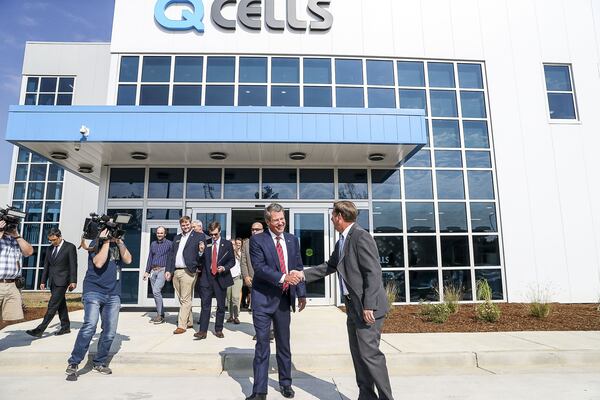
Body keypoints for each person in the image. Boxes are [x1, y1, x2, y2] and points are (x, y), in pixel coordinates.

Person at [297, 201, 394, 400]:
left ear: (340, 216)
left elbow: (373, 273)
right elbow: (329, 266)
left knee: (370, 356)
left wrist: (369, 305)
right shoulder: (342, 240)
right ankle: (366, 396)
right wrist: (301, 275)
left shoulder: (360, 236)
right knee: (358, 356)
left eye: (333, 215)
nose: (331, 218)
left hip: (367, 308)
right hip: (353, 307)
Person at [246, 203, 306, 400]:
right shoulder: (257, 241)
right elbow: (260, 268)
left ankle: (285, 383)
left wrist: (302, 293)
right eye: (276, 220)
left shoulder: (292, 240)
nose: (281, 223)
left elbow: (298, 266)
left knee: (284, 344)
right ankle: (259, 391)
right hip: (263, 300)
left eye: (282, 219)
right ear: (268, 221)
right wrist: (283, 278)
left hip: (283, 300)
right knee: (262, 345)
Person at [65, 228, 132, 377]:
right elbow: (99, 263)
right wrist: (106, 241)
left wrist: (119, 242)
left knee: (110, 332)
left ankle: (99, 363)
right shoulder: (96, 243)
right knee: (90, 325)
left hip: (113, 293)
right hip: (94, 291)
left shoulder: (118, 244)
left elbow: (128, 259)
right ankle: (74, 362)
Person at [26, 228, 77, 337]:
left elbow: (73, 265)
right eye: (50, 240)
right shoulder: (49, 249)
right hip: (53, 281)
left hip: (63, 280)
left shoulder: (70, 247)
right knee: (61, 304)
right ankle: (65, 326)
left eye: (54, 240)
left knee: (52, 305)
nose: (52, 242)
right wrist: (43, 281)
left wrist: (73, 281)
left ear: (60, 237)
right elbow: (46, 266)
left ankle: (40, 329)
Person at [194, 221, 235, 339]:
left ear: (220, 232)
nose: (213, 237)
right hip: (207, 279)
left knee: (221, 306)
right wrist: (200, 252)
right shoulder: (205, 243)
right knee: (205, 306)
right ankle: (202, 331)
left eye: (215, 234)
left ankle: (218, 329)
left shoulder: (227, 244)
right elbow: (199, 261)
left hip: (220, 279)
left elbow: (232, 261)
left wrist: (225, 268)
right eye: (211, 234)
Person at [166, 216, 204, 334]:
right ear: (180, 225)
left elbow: (202, 253)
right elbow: (171, 255)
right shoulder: (177, 238)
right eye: (183, 225)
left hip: (188, 271)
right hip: (176, 271)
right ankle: (189, 321)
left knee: (185, 299)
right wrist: (168, 270)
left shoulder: (198, 236)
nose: (185, 226)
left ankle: (182, 326)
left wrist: (200, 254)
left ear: (190, 224)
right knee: (182, 299)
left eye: (187, 224)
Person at [0, 220, 33, 322]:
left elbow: (29, 252)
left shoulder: (16, 240)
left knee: (11, 320)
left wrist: (17, 236)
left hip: (13, 285)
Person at [143, 226, 172, 324]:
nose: (159, 234)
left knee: (156, 291)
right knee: (156, 294)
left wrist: (169, 271)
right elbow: (150, 257)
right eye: (158, 233)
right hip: (153, 271)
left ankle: (160, 315)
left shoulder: (169, 244)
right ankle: (161, 314)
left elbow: (171, 258)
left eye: (161, 233)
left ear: (165, 234)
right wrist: (147, 271)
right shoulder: (153, 244)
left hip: (162, 270)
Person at [226, 237, 243, 324]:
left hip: (237, 277)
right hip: (228, 277)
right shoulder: (226, 253)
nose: (232, 246)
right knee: (229, 298)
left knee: (235, 297)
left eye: (234, 244)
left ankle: (236, 316)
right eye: (231, 244)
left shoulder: (240, 253)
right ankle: (230, 316)